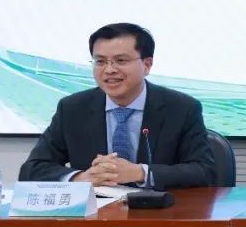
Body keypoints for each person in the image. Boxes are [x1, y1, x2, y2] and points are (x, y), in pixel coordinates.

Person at [19, 23, 214, 190]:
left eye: (121, 61)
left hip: (161, 214)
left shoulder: (181, 108)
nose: (109, 70)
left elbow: (205, 171)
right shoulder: (72, 109)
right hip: (96, 215)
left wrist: (140, 172)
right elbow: (32, 169)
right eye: (100, 61)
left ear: (147, 65)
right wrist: (81, 178)